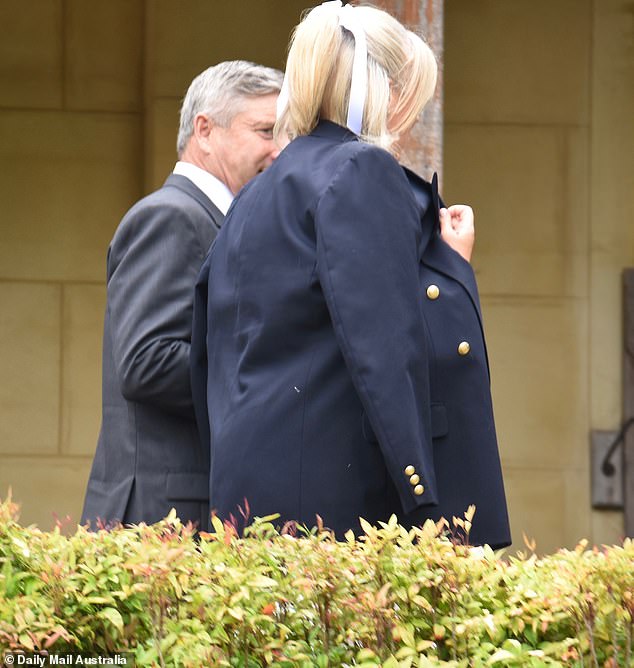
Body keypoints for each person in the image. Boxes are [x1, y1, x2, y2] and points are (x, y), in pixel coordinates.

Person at [192, 3, 511, 548]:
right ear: (381, 87)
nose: (410, 113)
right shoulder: (361, 170)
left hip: (245, 503)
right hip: (339, 506)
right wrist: (425, 501)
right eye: (409, 93)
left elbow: (210, 357)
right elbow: (385, 345)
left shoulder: (256, 194)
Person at [81, 61, 283, 529]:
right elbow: (145, 363)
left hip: (181, 516)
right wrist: (267, 378)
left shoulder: (215, 222)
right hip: (161, 519)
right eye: (266, 131)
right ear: (205, 130)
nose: (279, 150)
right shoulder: (172, 216)